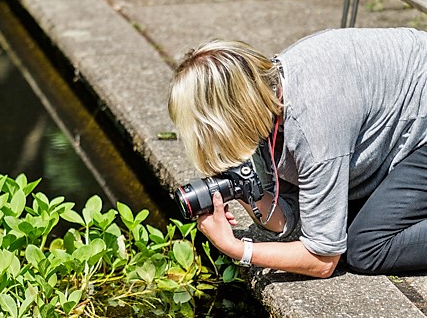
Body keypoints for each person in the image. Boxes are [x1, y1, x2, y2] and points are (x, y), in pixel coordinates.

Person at [168, 28, 427, 278]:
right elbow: (289, 216)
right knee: (341, 220)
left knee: (366, 248)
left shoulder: (313, 126)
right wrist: (239, 188)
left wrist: (236, 248)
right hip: (406, 113)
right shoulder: (268, 93)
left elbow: (323, 260)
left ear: (229, 117)